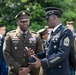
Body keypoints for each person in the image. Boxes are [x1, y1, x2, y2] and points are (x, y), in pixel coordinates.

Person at [28, 7, 73, 75]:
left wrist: (43, 63)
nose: (46, 21)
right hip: (50, 71)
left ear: (54, 17)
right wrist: (35, 56)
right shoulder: (52, 33)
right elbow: (48, 53)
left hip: (59, 72)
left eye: (48, 18)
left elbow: (62, 53)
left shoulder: (65, 32)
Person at [3, 10, 42, 75]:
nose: (24, 23)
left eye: (26, 21)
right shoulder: (10, 36)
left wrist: (29, 69)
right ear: (17, 23)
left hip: (32, 72)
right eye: (22, 21)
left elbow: (40, 54)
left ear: (29, 21)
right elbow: (6, 53)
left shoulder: (36, 36)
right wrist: (18, 68)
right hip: (15, 72)